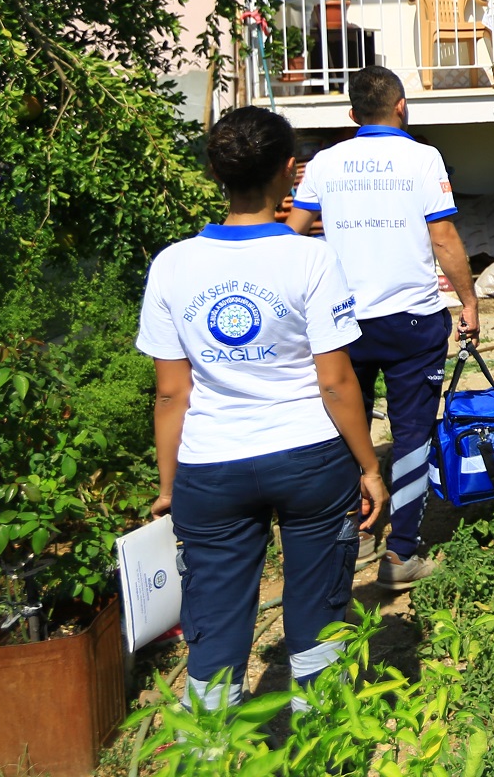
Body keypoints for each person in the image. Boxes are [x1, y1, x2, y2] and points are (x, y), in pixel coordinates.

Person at [137, 106, 384, 710]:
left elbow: (171, 393)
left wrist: (171, 485)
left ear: (218, 174)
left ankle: (209, 752)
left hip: (210, 466)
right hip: (309, 459)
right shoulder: (311, 259)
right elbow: (335, 382)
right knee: (319, 609)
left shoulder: (172, 265)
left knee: (215, 622)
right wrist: (369, 466)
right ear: (289, 171)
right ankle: (321, 748)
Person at [286, 66, 479, 588]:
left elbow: (293, 236)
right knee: (412, 432)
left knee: (347, 427)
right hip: (411, 320)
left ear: (352, 115)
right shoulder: (422, 157)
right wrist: (469, 300)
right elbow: (442, 237)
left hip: (341, 322)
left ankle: (355, 533)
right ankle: (400, 555)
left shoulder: (324, 163)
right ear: (401, 107)